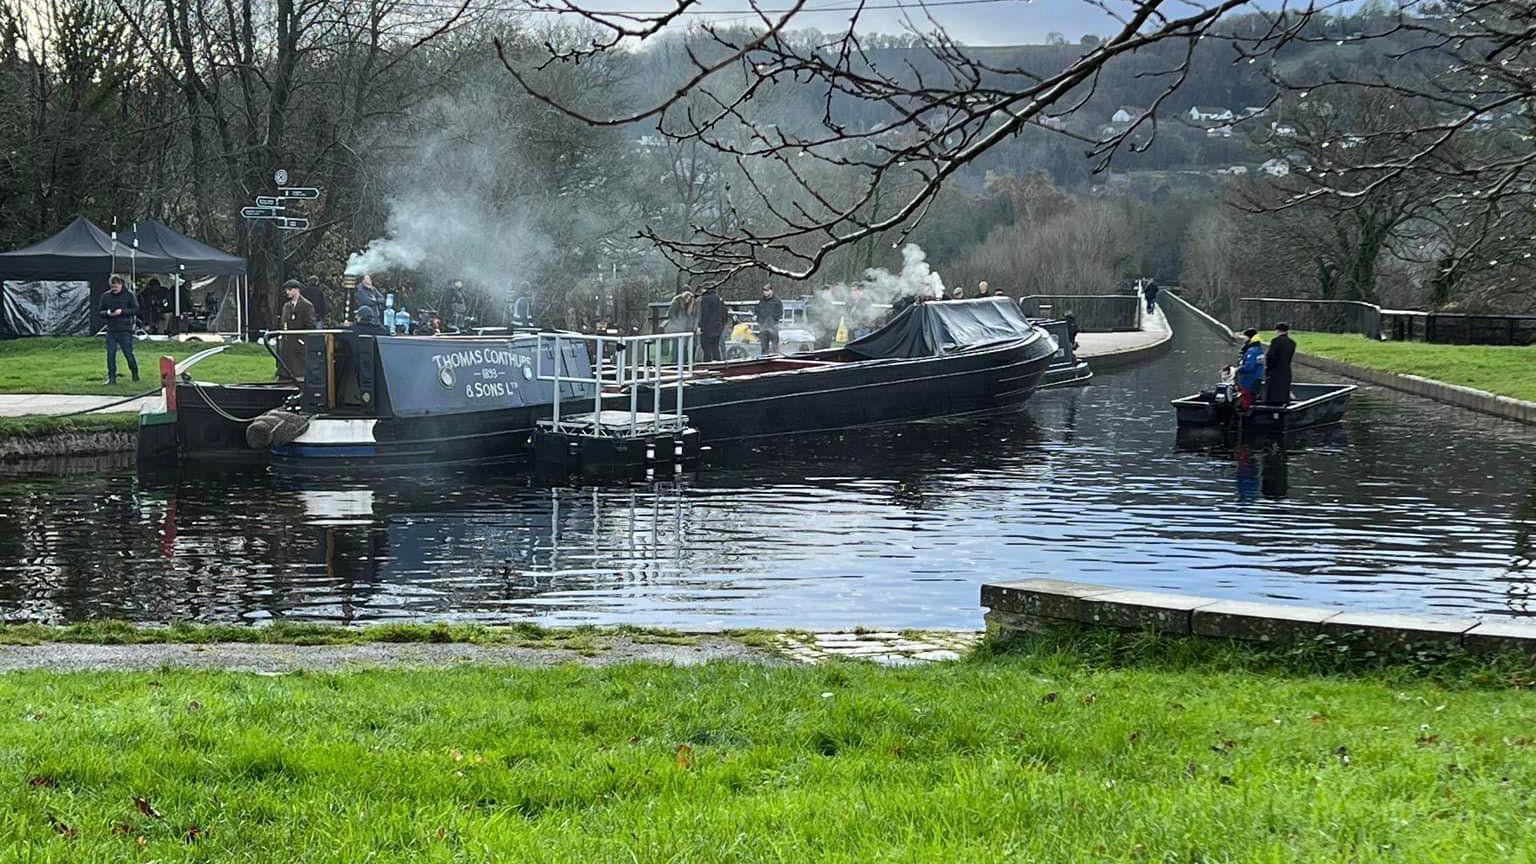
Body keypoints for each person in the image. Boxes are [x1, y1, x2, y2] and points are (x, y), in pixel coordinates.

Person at [98, 274, 139, 384]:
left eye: (116, 287)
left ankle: (135, 373)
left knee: (128, 353)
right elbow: (100, 311)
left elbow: (136, 309)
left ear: (121, 284)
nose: (114, 289)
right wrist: (107, 313)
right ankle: (112, 378)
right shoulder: (106, 296)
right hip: (111, 329)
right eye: (112, 287)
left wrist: (123, 311)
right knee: (110, 355)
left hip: (125, 329)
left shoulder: (129, 295)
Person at [279, 279, 316, 382]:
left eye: (290, 289)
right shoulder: (286, 306)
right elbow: (283, 322)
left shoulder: (307, 305)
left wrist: (302, 339)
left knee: (298, 369)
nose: (287, 292)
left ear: (296, 290)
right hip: (287, 342)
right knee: (286, 368)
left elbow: (311, 325)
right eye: (286, 290)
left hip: (299, 343)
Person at [1264, 322, 1296, 406]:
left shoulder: (1275, 341)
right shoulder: (1292, 343)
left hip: (1275, 371)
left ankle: (1273, 411)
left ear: (1278, 330)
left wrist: (1268, 368)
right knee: (1284, 391)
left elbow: (1270, 356)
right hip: (1286, 370)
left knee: (1274, 393)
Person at [695, 284, 727, 362]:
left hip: (707, 328)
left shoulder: (705, 299)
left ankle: (707, 366)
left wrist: (700, 327)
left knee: (706, 349)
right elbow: (723, 313)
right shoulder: (718, 298)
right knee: (715, 348)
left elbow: (704, 314)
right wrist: (722, 325)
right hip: (717, 327)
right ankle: (718, 365)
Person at [1235, 327, 1265, 409]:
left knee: (1246, 400)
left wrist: (1237, 369)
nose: (1243, 339)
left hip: (1249, 380)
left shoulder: (1252, 351)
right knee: (1252, 398)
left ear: (1249, 337)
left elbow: (1249, 367)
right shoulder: (1259, 349)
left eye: (1244, 337)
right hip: (1256, 378)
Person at [753, 284, 784, 356]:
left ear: (771, 291)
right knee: (764, 347)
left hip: (773, 327)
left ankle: (776, 360)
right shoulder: (761, 300)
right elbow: (757, 311)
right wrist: (759, 320)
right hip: (763, 327)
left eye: (767, 290)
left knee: (775, 347)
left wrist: (773, 320)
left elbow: (780, 312)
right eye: (764, 291)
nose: (765, 292)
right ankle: (764, 361)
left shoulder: (777, 300)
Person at [807, 285, 839, 350]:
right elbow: (811, 315)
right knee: (818, 348)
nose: (828, 294)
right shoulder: (817, 303)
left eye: (829, 292)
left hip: (828, 331)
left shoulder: (831, 304)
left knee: (827, 348)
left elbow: (834, 318)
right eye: (826, 292)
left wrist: (834, 332)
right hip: (819, 330)